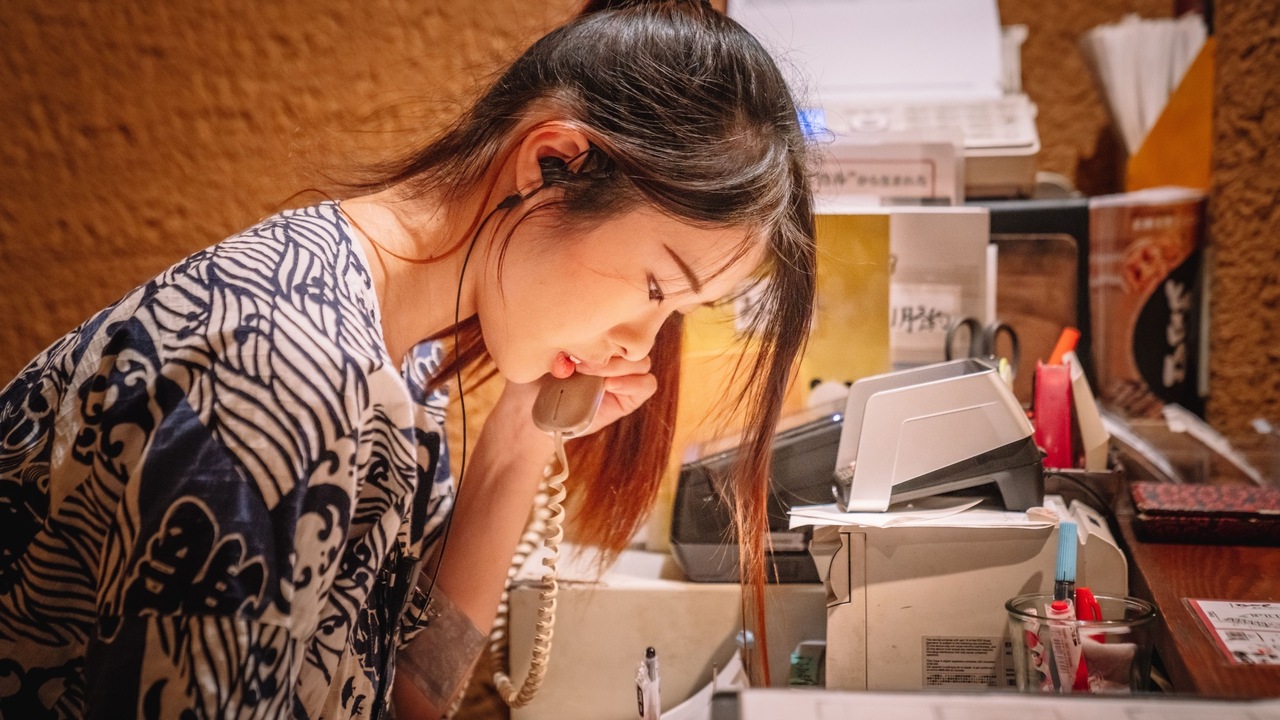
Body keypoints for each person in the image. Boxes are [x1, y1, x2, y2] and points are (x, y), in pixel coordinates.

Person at [0, 0, 816, 717]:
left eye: (675, 312)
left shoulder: (405, 366)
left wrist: (527, 434)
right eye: (652, 286)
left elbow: (412, 694)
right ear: (552, 164)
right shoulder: (282, 362)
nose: (639, 346)